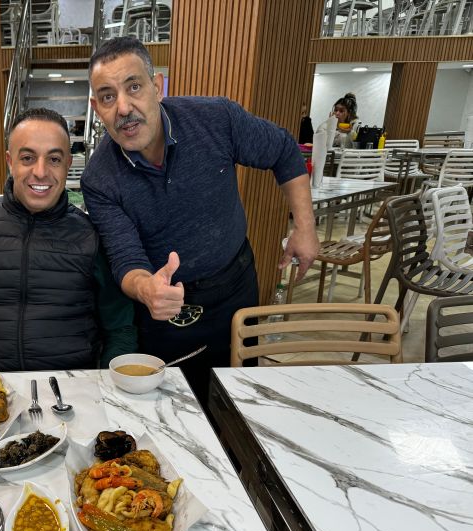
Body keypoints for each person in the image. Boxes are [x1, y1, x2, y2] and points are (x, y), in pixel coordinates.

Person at [81, 37, 318, 405]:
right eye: (108, 96)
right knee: (174, 404)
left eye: (134, 87)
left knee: (242, 395)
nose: (124, 107)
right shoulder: (99, 177)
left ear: (157, 86)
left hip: (235, 283)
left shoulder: (215, 119)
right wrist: (148, 290)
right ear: (97, 108)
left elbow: (284, 150)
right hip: (167, 306)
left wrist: (304, 227)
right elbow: (125, 256)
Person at [0, 107, 137, 374]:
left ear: (68, 163)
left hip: (73, 393)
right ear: (10, 162)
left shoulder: (92, 236)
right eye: (27, 158)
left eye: (54, 159)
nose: (40, 171)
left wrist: (107, 389)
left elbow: (121, 327)